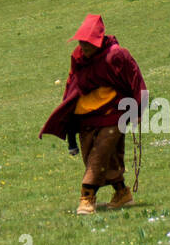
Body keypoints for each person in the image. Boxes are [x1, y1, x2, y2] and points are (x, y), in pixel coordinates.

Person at [39, 13, 147, 215]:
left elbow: (135, 79)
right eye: (81, 43)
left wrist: (138, 109)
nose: (84, 48)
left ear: (98, 41)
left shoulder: (117, 55)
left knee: (99, 155)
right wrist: (68, 112)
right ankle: (122, 193)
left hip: (114, 113)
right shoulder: (78, 56)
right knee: (94, 156)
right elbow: (73, 83)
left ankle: (87, 198)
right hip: (87, 115)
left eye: (87, 44)